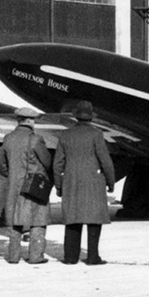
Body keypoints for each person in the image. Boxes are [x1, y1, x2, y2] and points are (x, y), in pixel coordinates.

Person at [53, 100, 116, 265]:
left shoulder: (66, 135)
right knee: (94, 219)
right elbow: (105, 160)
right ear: (91, 117)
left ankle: (70, 257)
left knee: (73, 219)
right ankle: (93, 257)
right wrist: (110, 181)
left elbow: (57, 163)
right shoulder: (96, 134)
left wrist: (59, 185)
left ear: (76, 117)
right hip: (93, 182)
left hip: (71, 181)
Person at [0, 107, 52, 264]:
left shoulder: (8, 138)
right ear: (29, 121)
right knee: (38, 220)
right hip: (33, 186)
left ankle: (13, 256)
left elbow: (0, 162)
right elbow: (47, 161)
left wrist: (11, 174)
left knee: (14, 221)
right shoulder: (36, 139)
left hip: (14, 186)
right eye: (33, 120)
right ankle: (36, 256)